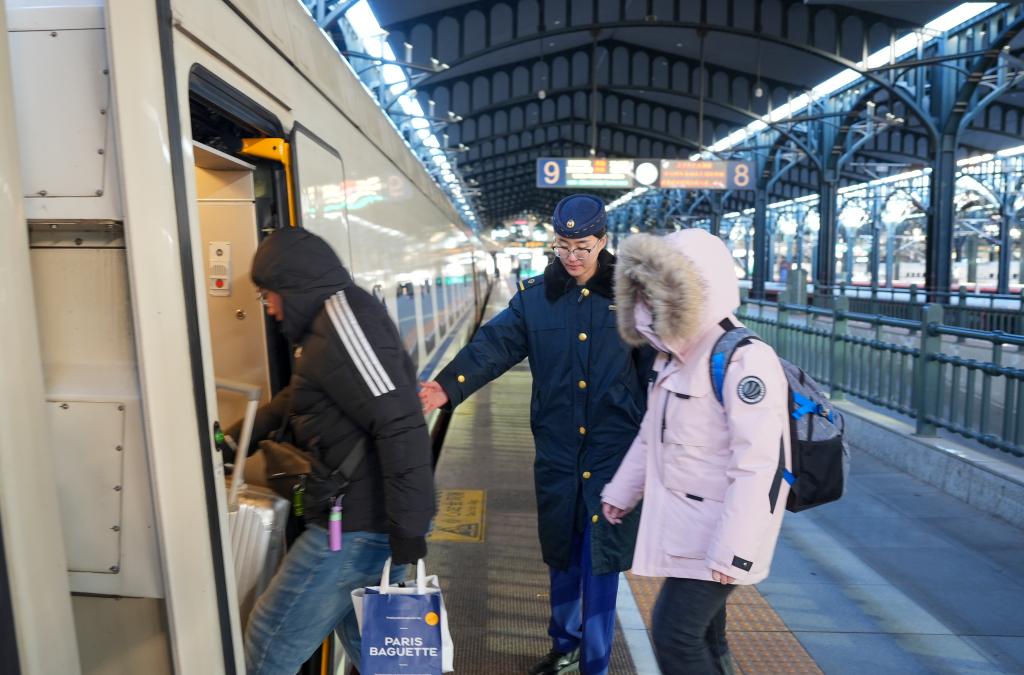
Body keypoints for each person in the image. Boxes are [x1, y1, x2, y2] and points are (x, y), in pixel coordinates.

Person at [419, 194, 651, 675]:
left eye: (582, 247)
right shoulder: (536, 299)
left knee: (601, 560)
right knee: (561, 554)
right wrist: (447, 386)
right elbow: (494, 344)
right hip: (558, 452)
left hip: (613, 454)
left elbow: (657, 372)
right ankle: (564, 647)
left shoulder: (634, 298)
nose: (572, 256)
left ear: (603, 241)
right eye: (563, 246)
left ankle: (595, 662)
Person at [230, 227, 435, 675]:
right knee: (382, 654)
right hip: (366, 520)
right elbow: (304, 395)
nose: (269, 308)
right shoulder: (327, 328)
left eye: (267, 295)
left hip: (360, 527)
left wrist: (409, 529)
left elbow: (400, 424)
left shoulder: (344, 324)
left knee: (269, 638)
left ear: (291, 286)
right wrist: (238, 437)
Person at [600, 229, 792, 675]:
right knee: (702, 636)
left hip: (721, 532)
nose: (648, 301)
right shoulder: (673, 355)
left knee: (675, 633)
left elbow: (762, 465)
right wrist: (622, 491)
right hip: (685, 527)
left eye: (658, 290)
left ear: (695, 289)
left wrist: (735, 552)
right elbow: (652, 433)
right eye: (643, 291)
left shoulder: (745, 359)